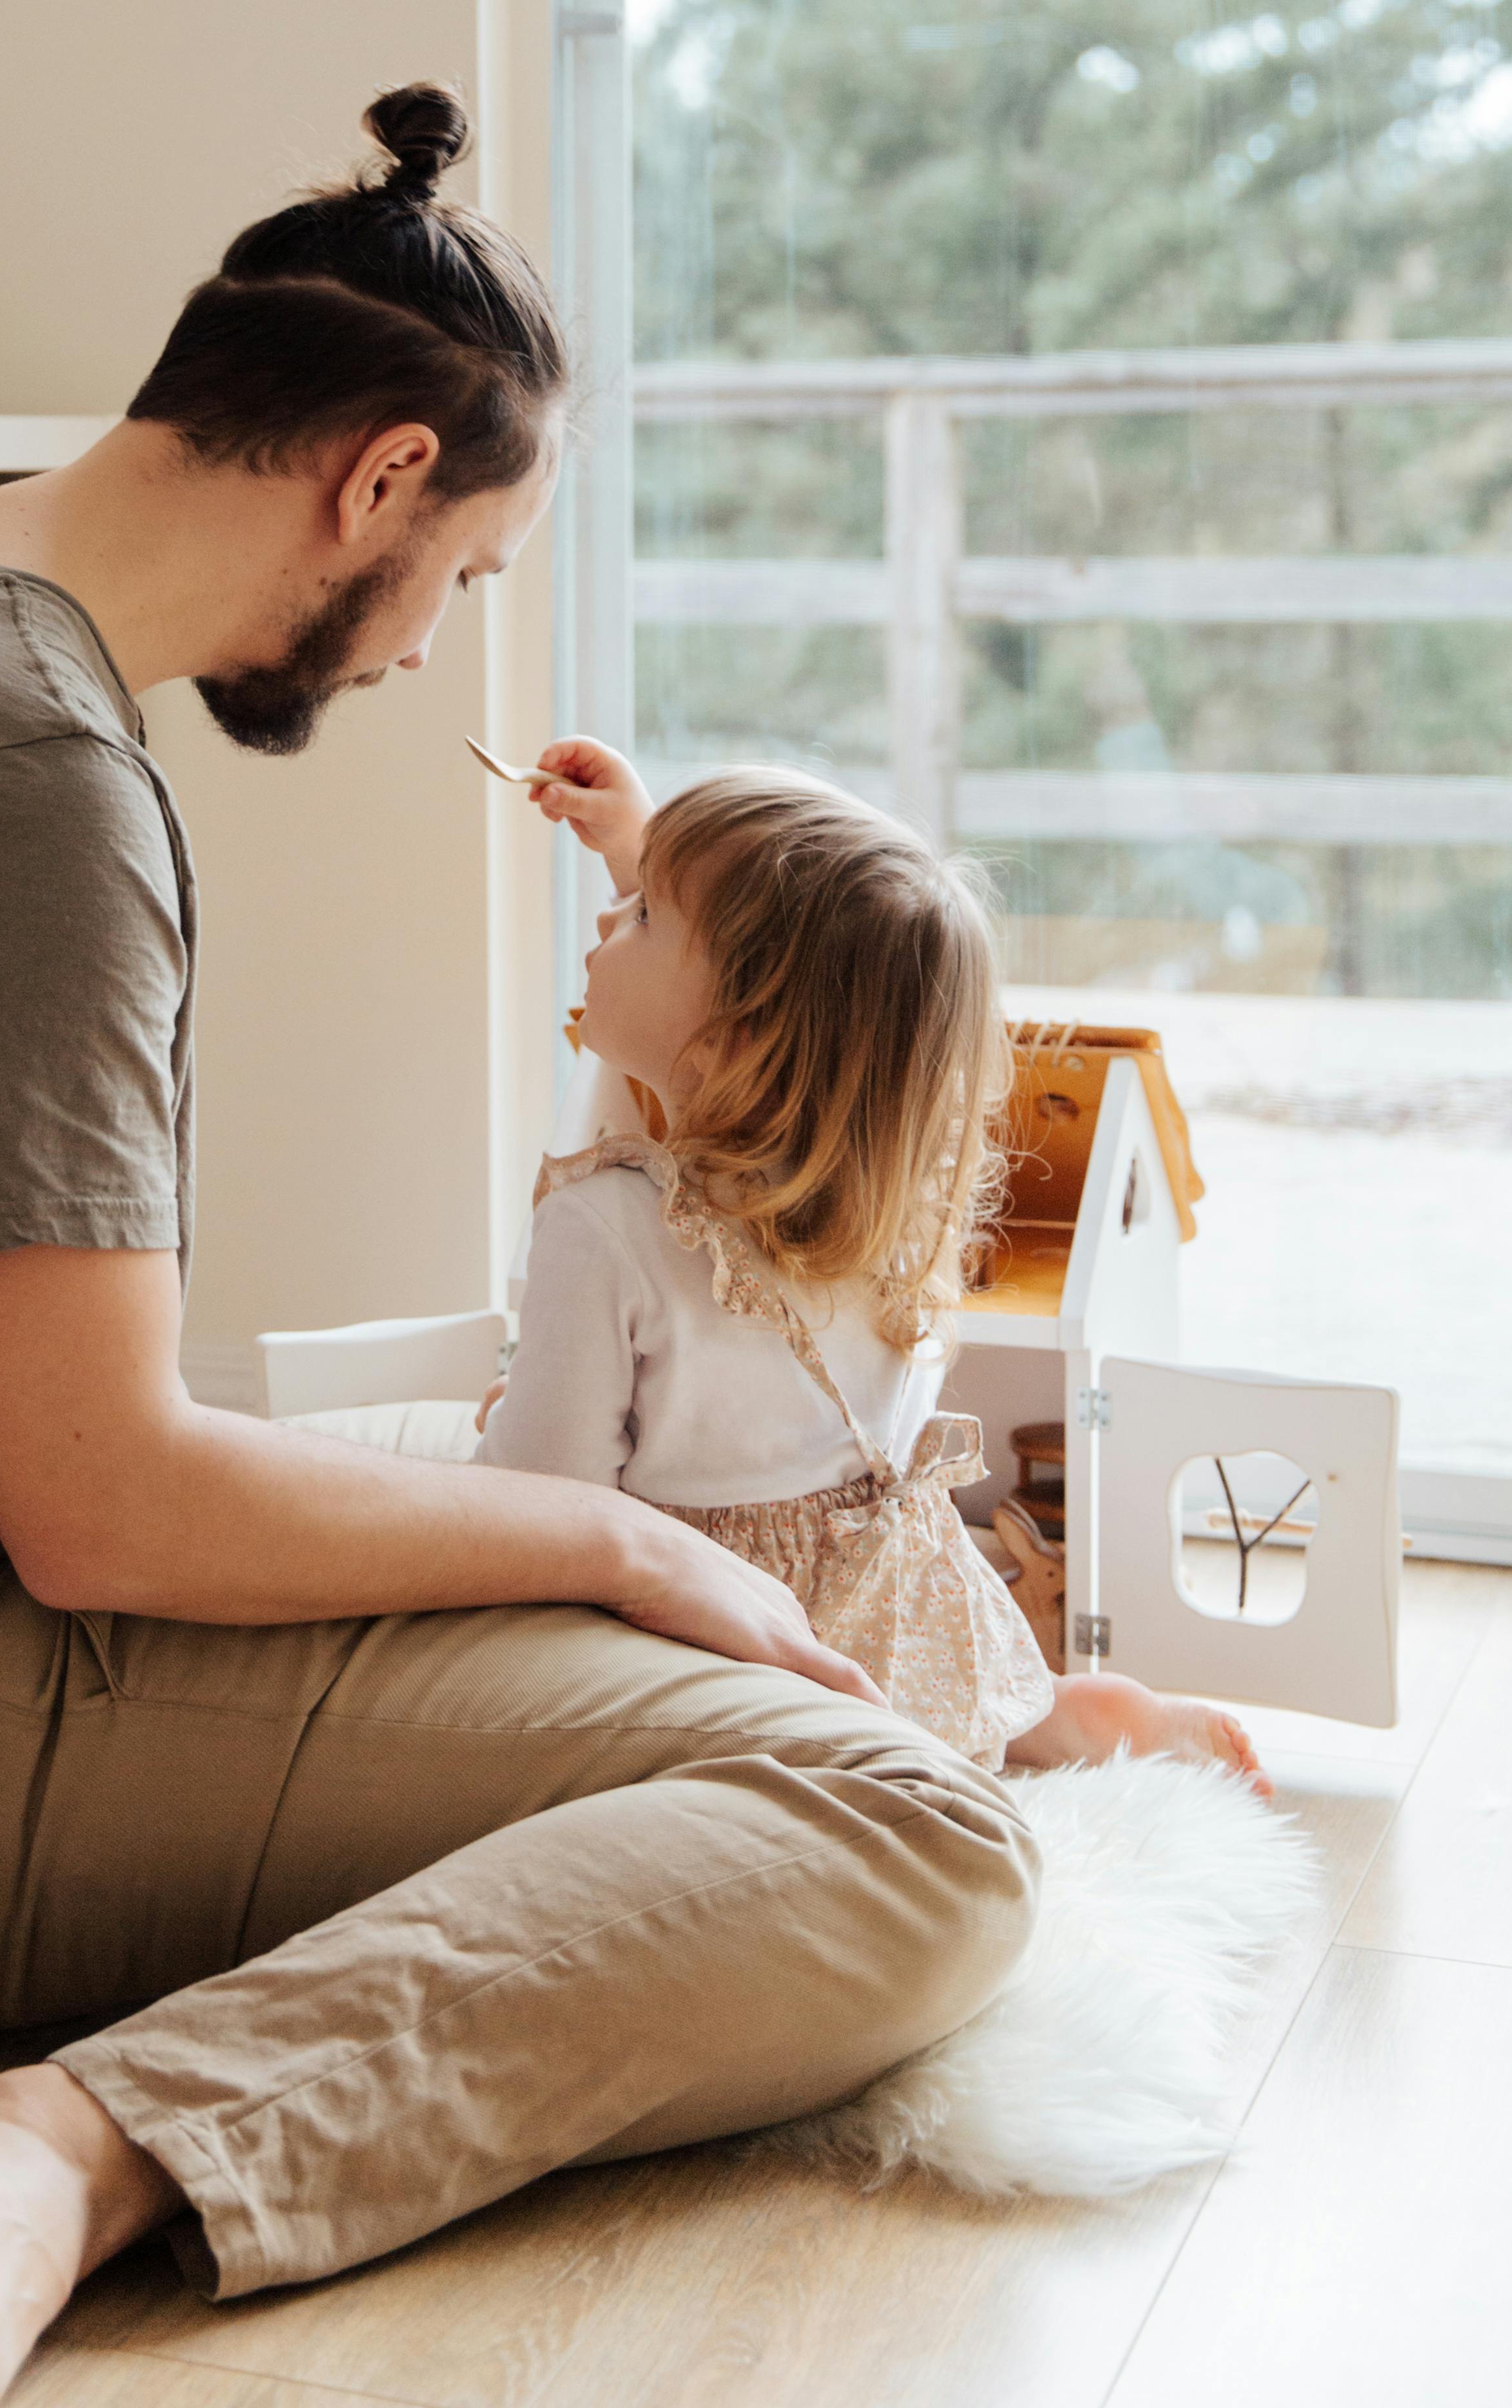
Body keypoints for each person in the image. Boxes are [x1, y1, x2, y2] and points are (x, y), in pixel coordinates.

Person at [0, 87, 1037, 2408]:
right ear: (379, 480)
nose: (432, 648)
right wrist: (614, 1544)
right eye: (465, 581)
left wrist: (546, 1542)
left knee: (638, 1651)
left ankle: (76, 2108)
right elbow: (103, 1498)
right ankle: (64, 2137)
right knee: (901, 1823)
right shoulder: (14, 784)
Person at [486, 740, 1268, 1789]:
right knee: (943, 1724)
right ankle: (1052, 1721)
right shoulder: (879, 1199)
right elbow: (740, 1001)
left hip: (722, 1633)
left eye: (639, 917)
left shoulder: (603, 1225)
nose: (602, 923)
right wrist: (636, 852)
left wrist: (507, 1411)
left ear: (734, 1039)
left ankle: (1000, 1737)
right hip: (896, 1594)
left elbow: (540, 1503)